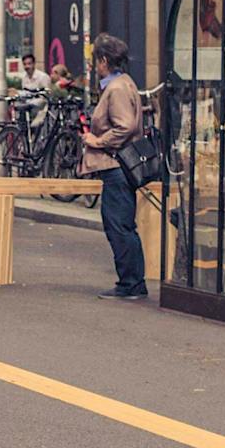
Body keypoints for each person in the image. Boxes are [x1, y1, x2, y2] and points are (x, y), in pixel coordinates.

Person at [83, 31, 147, 300]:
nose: (94, 65)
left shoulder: (117, 88)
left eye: (96, 60)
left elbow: (125, 125)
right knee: (122, 224)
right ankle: (132, 282)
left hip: (116, 166)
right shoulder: (123, 83)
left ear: (104, 61)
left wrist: (97, 141)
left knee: (118, 225)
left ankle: (130, 283)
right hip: (119, 167)